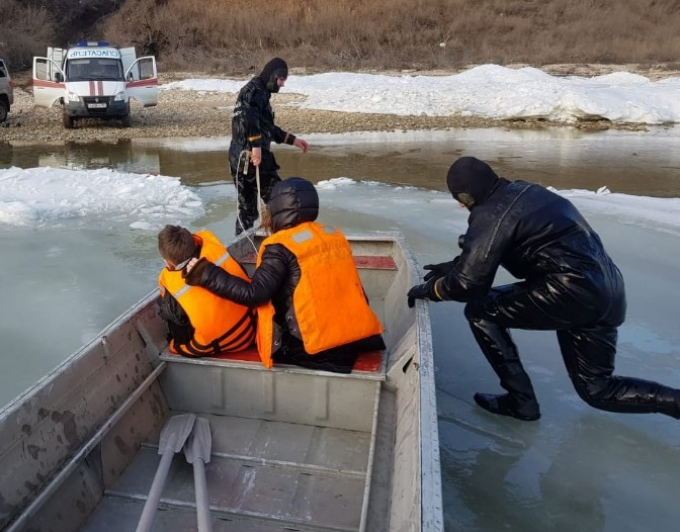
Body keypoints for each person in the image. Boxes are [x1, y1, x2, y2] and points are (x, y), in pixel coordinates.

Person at [408, 156, 680, 421]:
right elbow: (500, 247)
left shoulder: (490, 214)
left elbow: (470, 285)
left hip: (569, 292)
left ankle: (521, 401)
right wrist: (457, 265)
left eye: (462, 200)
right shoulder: (528, 191)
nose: (462, 206)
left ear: (466, 197)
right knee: (598, 390)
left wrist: (435, 290)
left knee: (480, 311)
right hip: (607, 290)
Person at [185, 177, 385, 372]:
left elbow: (254, 294)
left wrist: (206, 273)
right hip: (355, 337)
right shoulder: (334, 235)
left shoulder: (280, 246)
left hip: (312, 347)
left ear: (276, 210)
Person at [229, 57, 309, 235]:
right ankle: (282, 239)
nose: (282, 85)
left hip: (241, 158)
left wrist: (292, 140)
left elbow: (267, 128)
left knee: (248, 209)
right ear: (274, 76)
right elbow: (249, 118)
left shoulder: (260, 92)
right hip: (248, 159)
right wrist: (256, 146)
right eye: (281, 80)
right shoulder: (255, 90)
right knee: (281, 198)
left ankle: (244, 244)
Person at [157, 225, 256, 357]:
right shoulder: (216, 252)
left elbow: (181, 332)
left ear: (168, 263)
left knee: (176, 344)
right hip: (251, 330)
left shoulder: (172, 286)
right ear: (194, 243)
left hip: (219, 344)